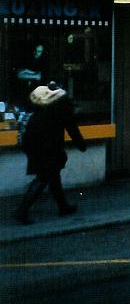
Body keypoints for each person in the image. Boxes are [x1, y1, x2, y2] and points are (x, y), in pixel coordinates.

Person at [14, 81, 86, 225]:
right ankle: (22, 211)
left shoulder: (38, 98)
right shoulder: (62, 102)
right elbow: (71, 126)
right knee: (44, 176)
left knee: (53, 175)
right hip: (48, 143)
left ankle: (63, 207)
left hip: (32, 140)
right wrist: (81, 144)